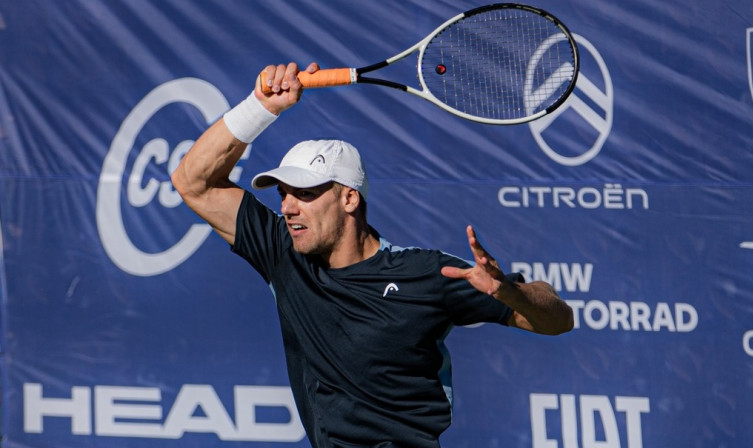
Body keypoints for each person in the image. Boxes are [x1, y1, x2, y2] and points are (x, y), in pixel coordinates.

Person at [171, 61, 574, 448]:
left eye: (306, 194)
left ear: (349, 199)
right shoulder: (284, 253)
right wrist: (261, 106)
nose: (289, 207)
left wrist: (511, 294)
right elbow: (193, 182)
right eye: (284, 194)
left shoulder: (426, 273)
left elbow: (559, 320)